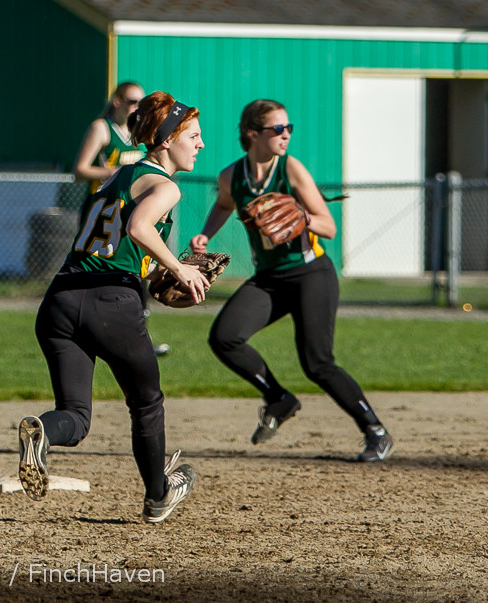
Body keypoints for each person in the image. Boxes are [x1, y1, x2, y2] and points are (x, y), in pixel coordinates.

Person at [20, 91, 206, 522]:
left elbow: (119, 239)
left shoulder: (118, 176)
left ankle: (43, 432)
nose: (200, 144)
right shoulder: (165, 185)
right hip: (111, 301)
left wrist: (152, 270)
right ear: (164, 140)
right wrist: (179, 269)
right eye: (193, 135)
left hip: (60, 300)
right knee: (146, 403)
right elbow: (140, 228)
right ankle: (158, 496)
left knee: (75, 417)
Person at [189, 99, 394, 462]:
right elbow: (225, 203)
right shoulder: (231, 176)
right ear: (253, 134)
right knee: (224, 337)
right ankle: (279, 399)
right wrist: (206, 234)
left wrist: (300, 214)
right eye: (277, 129)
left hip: (311, 273)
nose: (286, 135)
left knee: (317, 363)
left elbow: (328, 226)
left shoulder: (290, 169)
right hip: (269, 278)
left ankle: (375, 431)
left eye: (289, 128)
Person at [73, 82, 171, 357]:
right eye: (130, 101)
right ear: (116, 101)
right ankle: (89, 329)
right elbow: (79, 169)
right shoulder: (102, 128)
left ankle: (139, 334)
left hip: (130, 210)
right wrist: (117, 172)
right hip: (102, 210)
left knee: (137, 270)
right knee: (98, 270)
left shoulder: (139, 132)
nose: (136, 107)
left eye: (140, 102)